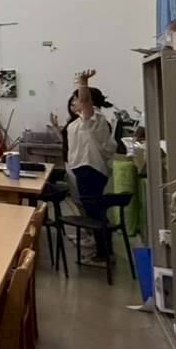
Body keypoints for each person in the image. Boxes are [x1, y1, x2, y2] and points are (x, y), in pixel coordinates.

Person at [52, 68, 117, 256]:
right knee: (90, 211)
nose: (74, 102)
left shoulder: (93, 117)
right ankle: (99, 248)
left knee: (94, 212)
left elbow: (86, 101)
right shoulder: (80, 121)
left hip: (90, 170)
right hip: (82, 170)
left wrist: (83, 82)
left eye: (76, 99)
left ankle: (104, 253)